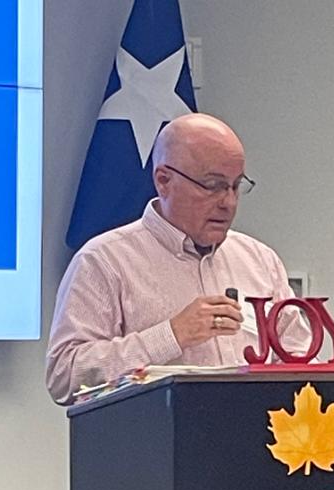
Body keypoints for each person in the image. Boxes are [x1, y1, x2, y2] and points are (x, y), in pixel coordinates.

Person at [46, 113, 310, 404]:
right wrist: (170, 335)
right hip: (151, 431)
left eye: (236, 186)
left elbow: (301, 359)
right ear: (164, 181)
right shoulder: (104, 261)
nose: (229, 202)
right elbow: (64, 376)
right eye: (213, 185)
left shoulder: (260, 260)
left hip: (254, 429)